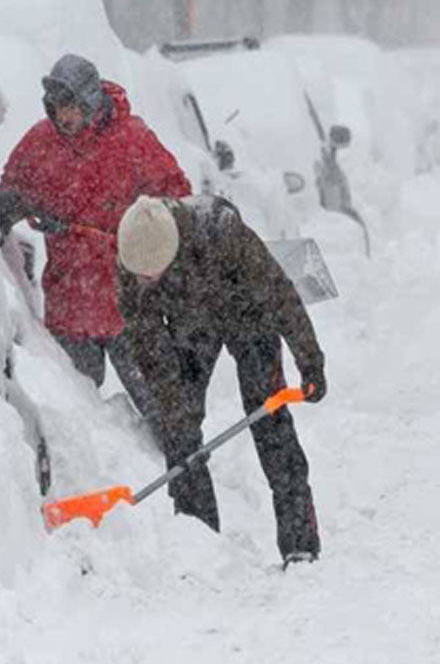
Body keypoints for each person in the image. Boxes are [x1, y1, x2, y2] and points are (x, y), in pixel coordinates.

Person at [114, 194, 326, 565]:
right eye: (140, 277)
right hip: (192, 328)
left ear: (171, 252)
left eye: (152, 276)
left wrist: (310, 361)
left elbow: (280, 295)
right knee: (179, 431)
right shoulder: (132, 261)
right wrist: (175, 410)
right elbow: (148, 346)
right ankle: (198, 543)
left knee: (269, 419)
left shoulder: (222, 232)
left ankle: (300, 543)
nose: (144, 282)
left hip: (250, 315)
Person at [0, 54, 191, 410]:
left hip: (129, 301)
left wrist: (144, 228)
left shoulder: (132, 141)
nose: (63, 117)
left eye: (71, 107)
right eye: (56, 108)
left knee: (162, 409)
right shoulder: (40, 143)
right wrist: (14, 214)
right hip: (71, 304)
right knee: (81, 418)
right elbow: (9, 193)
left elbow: (175, 198)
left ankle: (184, 462)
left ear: (91, 101)